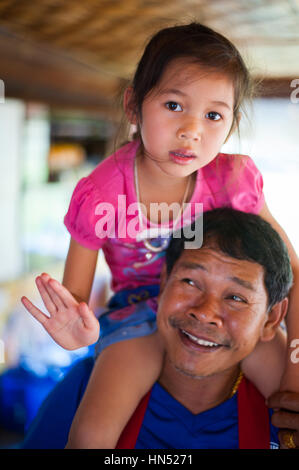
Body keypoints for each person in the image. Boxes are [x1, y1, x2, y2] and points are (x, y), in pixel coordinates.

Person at [20, 23, 299, 449]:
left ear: (232, 123)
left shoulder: (232, 179)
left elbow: (292, 270)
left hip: (225, 309)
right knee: (90, 435)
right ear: (134, 104)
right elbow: (76, 304)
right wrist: (78, 335)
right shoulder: (100, 195)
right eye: (173, 105)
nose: (192, 130)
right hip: (137, 315)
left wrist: (294, 375)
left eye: (213, 115)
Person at [21, 209, 297, 449]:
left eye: (236, 298)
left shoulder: (287, 419)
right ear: (164, 283)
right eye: (190, 282)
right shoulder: (87, 388)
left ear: (272, 319)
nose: (204, 312)